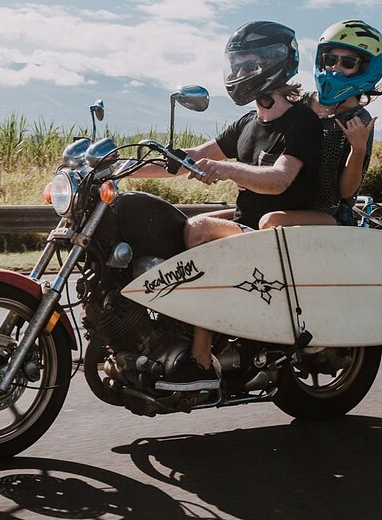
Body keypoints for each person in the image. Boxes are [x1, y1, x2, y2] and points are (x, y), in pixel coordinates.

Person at [130, 21, 322, 391]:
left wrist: (224, 168)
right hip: (248, 224)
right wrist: (121, 170)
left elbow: (280, 178)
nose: (239, 72)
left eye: (249, 63)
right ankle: (171, 331)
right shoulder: (248, 123)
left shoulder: (302, 122)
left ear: (275, 63)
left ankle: (201, 362)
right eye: (236, 64)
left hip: (281, 230)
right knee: (173, 226)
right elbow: (192, 158)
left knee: (201, 230)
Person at [260, 19, 382, 229]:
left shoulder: (359, 120)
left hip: (330, 215)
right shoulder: (301, 103)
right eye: (330, 59)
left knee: (273, 222)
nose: (335, 68)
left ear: (365, 68)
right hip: (286, 204)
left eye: (347, 63)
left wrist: (358, 149)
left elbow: (346, 193)